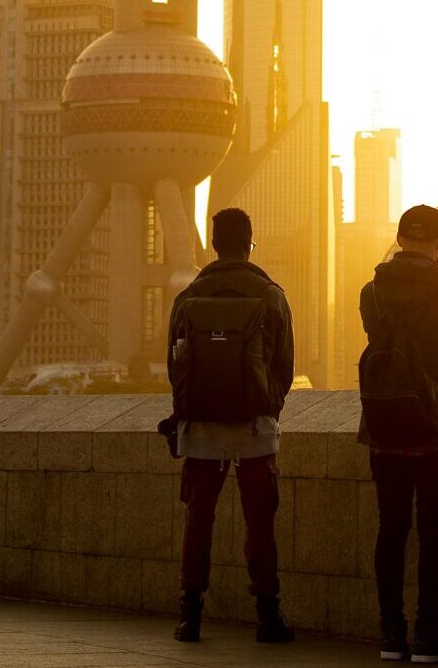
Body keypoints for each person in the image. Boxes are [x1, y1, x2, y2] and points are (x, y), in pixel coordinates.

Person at [164, 206, 296, 646]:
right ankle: (267, 615)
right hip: (255, 428)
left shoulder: (187, 297)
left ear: (214, 245)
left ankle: (190, 616)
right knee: (260, 520)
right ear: (249, 242)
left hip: (199, 427)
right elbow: (285, 366)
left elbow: (174, 363)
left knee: (198, 517)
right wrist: (266, 407)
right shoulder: (271, 295)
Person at [358, 204, 438, 665]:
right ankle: (427, 637)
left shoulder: (371, 291)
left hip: (385, 424)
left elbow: (379, 336)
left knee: (390, 529)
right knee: (433, 533)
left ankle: (391, 634)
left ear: (399, 240)